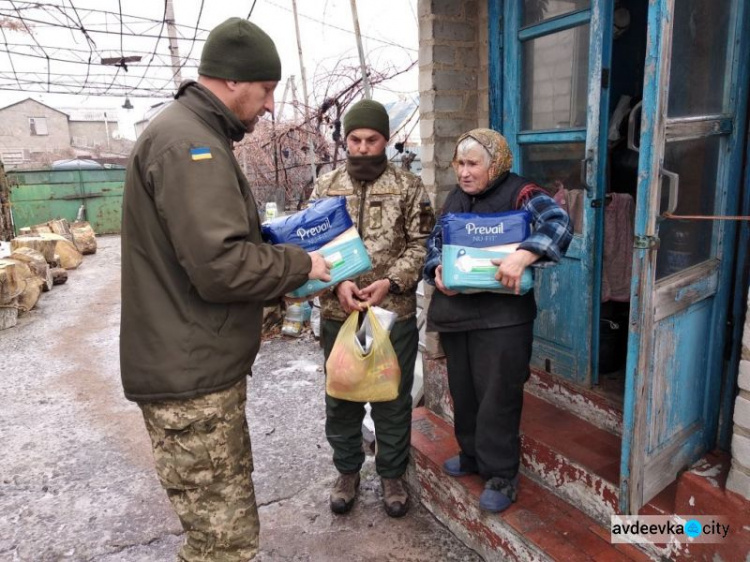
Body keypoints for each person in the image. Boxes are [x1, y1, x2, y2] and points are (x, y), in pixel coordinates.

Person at [120, 18, 330, 561]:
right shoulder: (192, 145)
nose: (269, 107)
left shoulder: (190, 134)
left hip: (191, 366)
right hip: (191, 379)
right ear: (234, 81)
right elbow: (221, 265)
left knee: (218, 534)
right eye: (266, 90)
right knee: (224, 545)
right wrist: (299, 262)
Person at [423, 128, 572, 513]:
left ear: (497, 164)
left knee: (498, 397)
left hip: (503, 320)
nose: (465, 172)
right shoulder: (456, 199)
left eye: (474, 164)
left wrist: (524, 255)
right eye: (460, 163)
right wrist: (438, 269)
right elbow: (434, 243)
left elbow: (559, 222)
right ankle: (471, 455)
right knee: (465, 391)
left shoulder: (523, 193)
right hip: (457, 314)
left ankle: (502, 475)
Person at [310, 99, 434, 518]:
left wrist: (391, 281)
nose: (362, 147)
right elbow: (310, 247)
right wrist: (338, 283)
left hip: (390, 314)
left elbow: (422, 244)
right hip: (337, 313)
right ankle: (347, 472)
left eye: (372, 139)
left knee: (392, 399)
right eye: (355, 139)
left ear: (386, 141)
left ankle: (392, 474)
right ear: (346, 141)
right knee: (341, 397)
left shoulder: (408, 186)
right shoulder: (325, 187)